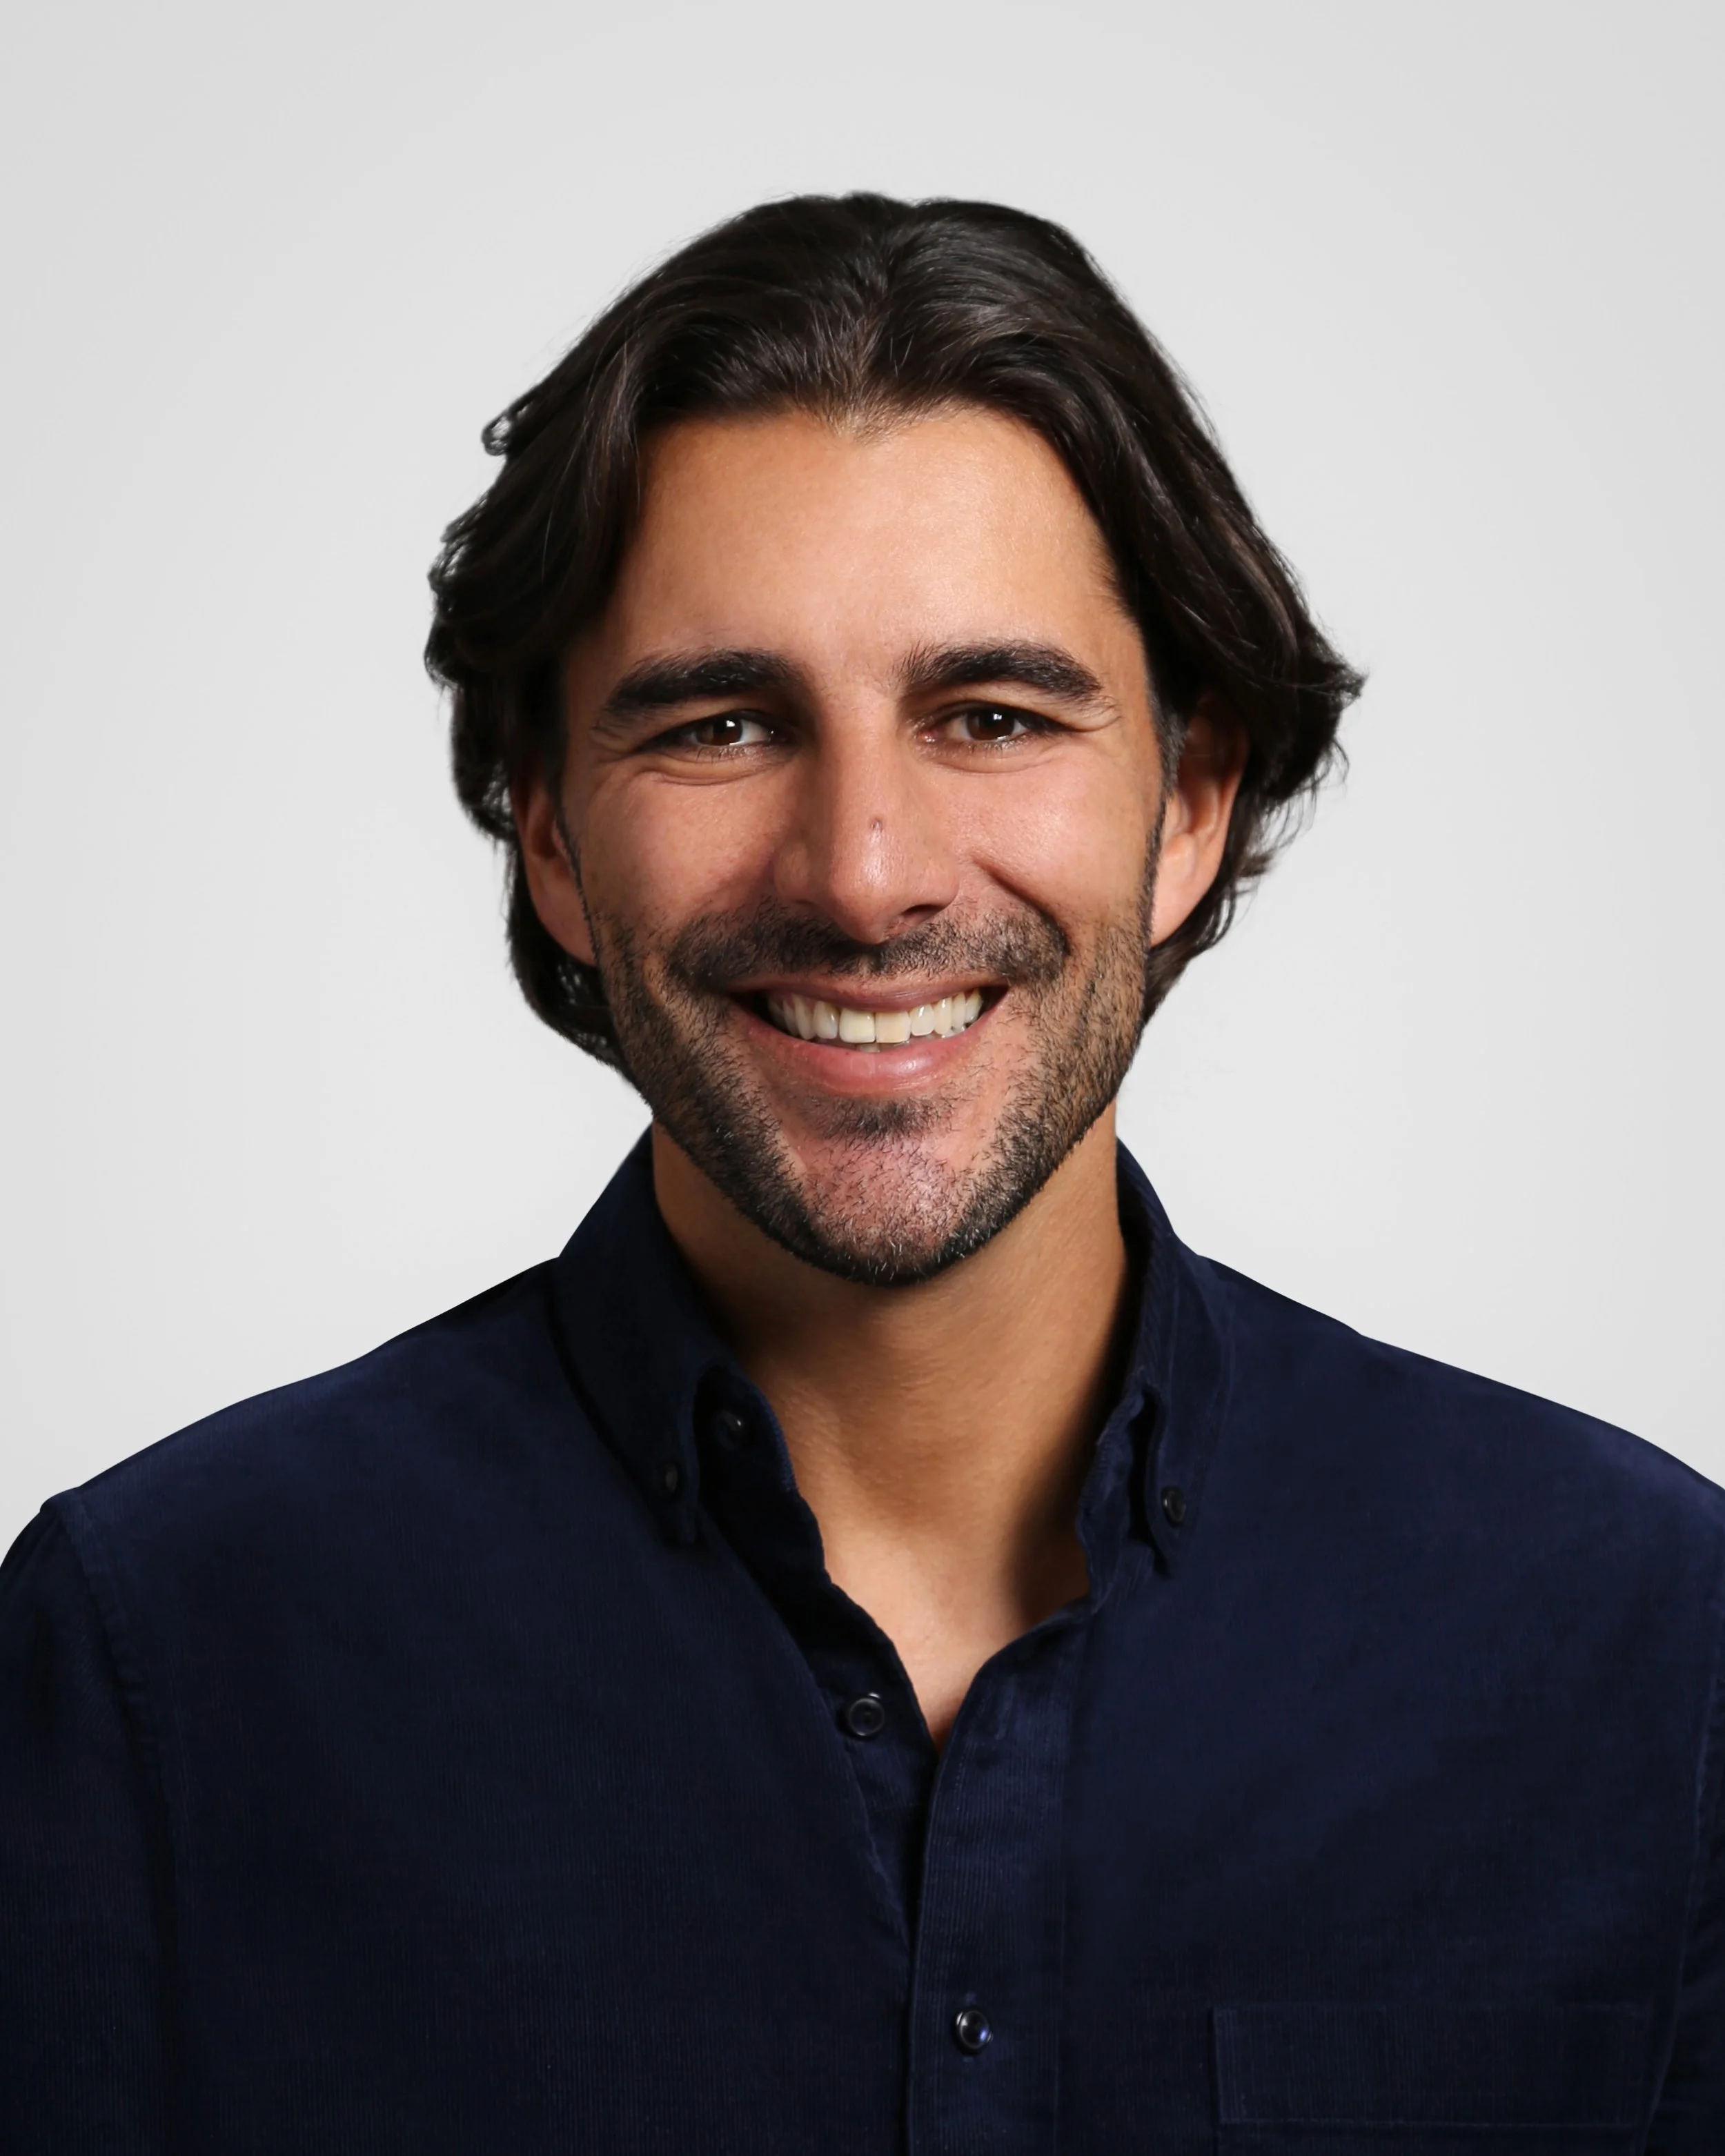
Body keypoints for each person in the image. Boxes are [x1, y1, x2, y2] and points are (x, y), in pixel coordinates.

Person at [2, 192, 1719, 2153]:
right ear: (550, 833)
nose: (863, 870)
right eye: (721, 724)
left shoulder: (1641, 1646)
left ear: (1187, 802)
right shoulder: (162, 1662)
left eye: (989, 716)